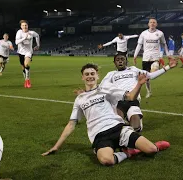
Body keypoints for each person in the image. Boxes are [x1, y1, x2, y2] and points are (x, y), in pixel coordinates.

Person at [42, 63, 170, 166]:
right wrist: (56, 146)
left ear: (97, 76)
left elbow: (130, 96)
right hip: (99, 135)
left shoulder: (106, 90)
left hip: (118, 128)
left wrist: (139, 84)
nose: (90, 76)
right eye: (87, 74)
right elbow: (71, 124)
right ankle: (129, 152)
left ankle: (153, 145)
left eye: (92, 73)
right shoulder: (80, 99)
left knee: (151, 150)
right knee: (106, 160)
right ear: (82, 77)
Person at [100, 54, 177, 132]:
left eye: (122, 59)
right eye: (118, 60)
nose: (120, 61)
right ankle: (124, 123)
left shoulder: (134, 70)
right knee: (115, 127)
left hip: (133, 100)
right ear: (114, 63)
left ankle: (128, 122)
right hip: (118, 102)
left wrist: (168, 67)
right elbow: (101, 87)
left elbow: (150, 76)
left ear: (126, 61)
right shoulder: (111, 74)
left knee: (136, 128)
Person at [133, 18, 170, 98]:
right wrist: (135, 55)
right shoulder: (143, 33)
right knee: (147, 77)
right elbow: (139, 45)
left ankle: (165, 68)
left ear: (156, 24)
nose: (152, 24)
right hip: (146, 58)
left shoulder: (160, 33)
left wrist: (168, 54)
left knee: (153, 72)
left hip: (155, 57)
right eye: (151, 22)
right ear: (148, 24)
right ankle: (149, 91)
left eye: (154, 22)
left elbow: (164, 44)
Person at [15, 20, 40, 88]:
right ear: (21, 26)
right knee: (23, 67)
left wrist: (38, 45)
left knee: (27, 64)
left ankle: (27, 80)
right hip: (20, 52)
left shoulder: (31, 33)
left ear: (28, 26)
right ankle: (25, 80)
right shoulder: (19, 32)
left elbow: (37, 35)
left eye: (25, 25)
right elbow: (16, 42)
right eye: (23, 25)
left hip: (28, 52)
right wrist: (24, 38)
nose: (24, 26)